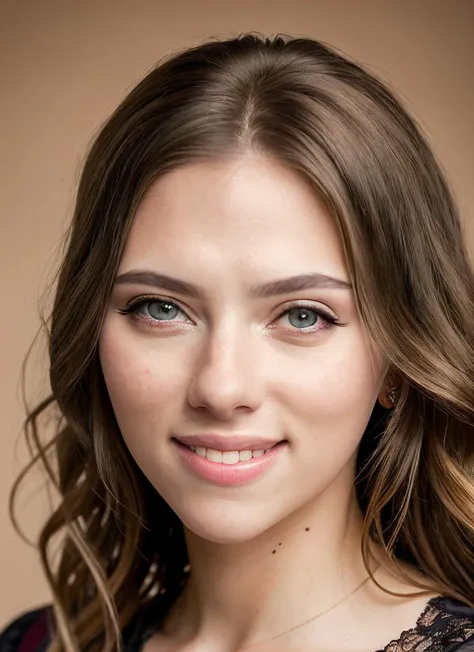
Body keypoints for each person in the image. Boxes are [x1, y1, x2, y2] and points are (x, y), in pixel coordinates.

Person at [1, 32, 473, 652]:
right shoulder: (36, 644)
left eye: (303, 316)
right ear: (91, 332)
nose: (222, 388)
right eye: (161, 308)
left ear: (397, 362)